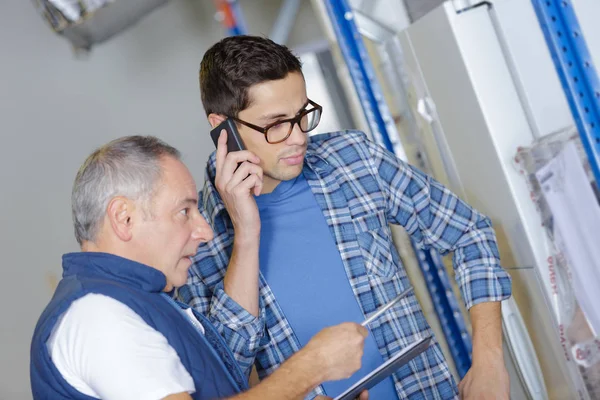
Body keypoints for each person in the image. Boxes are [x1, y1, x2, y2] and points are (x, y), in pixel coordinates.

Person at [179, 35, 513, 400]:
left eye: (303, 115)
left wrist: (489, 361)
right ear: (222, 128)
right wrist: (245, 232)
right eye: (276, 124)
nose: (298, 138)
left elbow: (469, 233)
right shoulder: (195, 241)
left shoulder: (354, 159)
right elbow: (226, 371)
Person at [30, 136, 370, 400]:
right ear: (125, 218)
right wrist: (311, 367)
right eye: (184, 212)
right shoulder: (97, 315)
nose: (204, 232)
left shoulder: (146, 300)